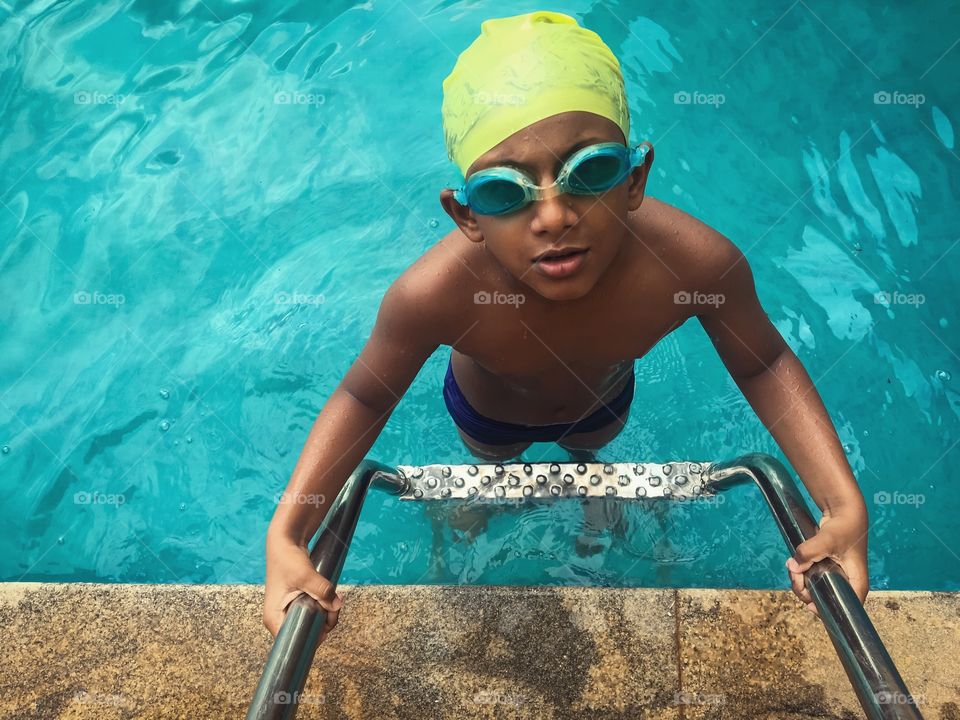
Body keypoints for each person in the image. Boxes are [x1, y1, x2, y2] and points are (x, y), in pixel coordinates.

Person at [262, 10, 869, 640]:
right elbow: (364, 395)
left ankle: (589, 481)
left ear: (635, 177)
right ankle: (494, 487)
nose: (553, 215)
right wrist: (288, 535)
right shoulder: (435, 295)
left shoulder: (693, 266)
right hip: (490, 413)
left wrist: (842, 504)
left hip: (602, 402)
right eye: (504, 192)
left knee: (590, 450)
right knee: (495, 467)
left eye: (591, 172)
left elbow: (763, 362)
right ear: (466, 215)